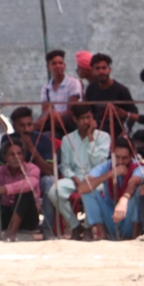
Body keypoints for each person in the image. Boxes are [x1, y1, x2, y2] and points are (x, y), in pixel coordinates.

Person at [48, 103, 110, 240]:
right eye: (82, 118)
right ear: (75, 119)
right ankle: (75, 226)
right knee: (54, 191)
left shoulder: (103, 137)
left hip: (96, 179)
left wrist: (90, 138)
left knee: (91, 190)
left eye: (89, 117)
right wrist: (73, 177)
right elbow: (65, 166)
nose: (87, 121)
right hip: (75, 178)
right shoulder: (67, 139)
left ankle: (88, 227)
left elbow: (99, 163)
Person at [76, 136, 144, 240]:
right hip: (111, 218)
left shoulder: (139, 166)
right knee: (88, 191)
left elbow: (134, 183)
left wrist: (124, 200)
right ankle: (103, 235)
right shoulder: (107, 166)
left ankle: (134, 235)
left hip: (129, 220)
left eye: (124, 158)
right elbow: (81, 188)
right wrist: (111, 174)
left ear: (132, 156)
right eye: (117, 157)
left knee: (137, 191)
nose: (120, 162)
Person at [10, 106, 56, 237]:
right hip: (16, 180)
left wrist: (32, 150)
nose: (26, 129)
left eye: (29, 125)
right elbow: (5, 169)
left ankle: (47, 228)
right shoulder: (8, 139)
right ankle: (10, 227)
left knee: (50, 182)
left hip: (39, 180)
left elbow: (48, 171)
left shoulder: (43, 139)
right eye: (22, 126)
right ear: (14, 127)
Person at [84, 53, 139, 138]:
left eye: (104, 68)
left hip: (117, 136)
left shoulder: (121, 90)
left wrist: (125, 131)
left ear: (109, 70)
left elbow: (133, 112)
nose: (101, 71)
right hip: (96, 135)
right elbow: (88, 111)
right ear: (92, 71)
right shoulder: (91, 89)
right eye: (97, 68)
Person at [38, 49, 83, 134]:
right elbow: (45, 109)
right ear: (48, 67)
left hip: (69, 123)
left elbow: (72, 109)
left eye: (60, 63)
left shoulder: (73, 83)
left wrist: (55, 115)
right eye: (54, 63)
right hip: (53, 122)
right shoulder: (46, 88)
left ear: (64, 65)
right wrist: (52, 115)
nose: (58, 66)